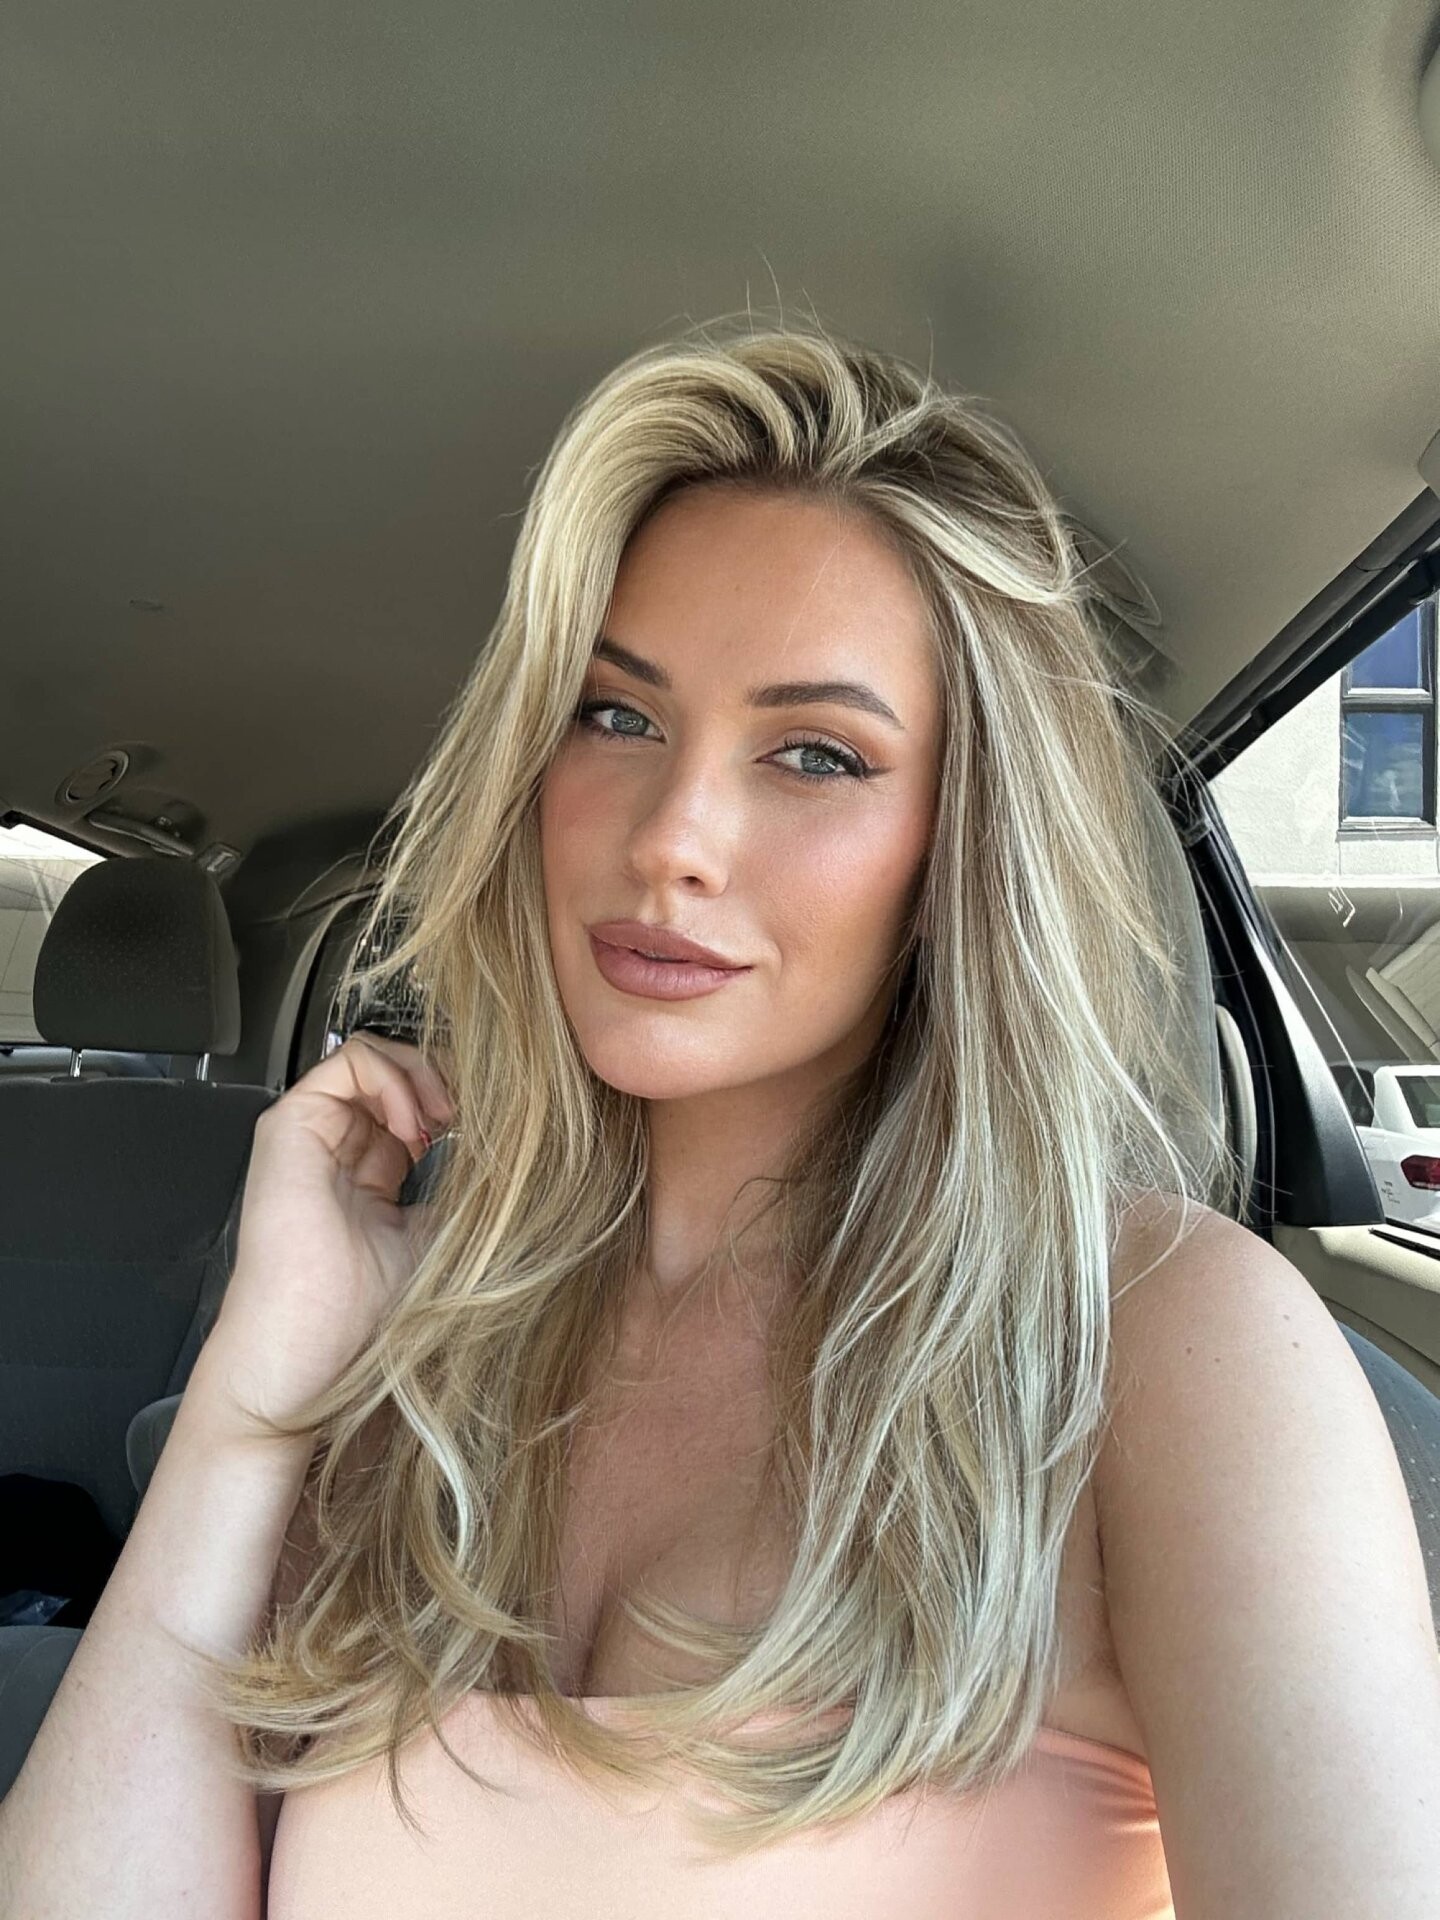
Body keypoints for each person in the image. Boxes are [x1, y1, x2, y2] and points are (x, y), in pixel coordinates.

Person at [5, 315, 1437, 1919]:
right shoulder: (418, 1361)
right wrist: (256, 1385)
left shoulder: (1160, 1345)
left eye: (816, 754)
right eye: (615, 716)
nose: (672, 836)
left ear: (955, 852)